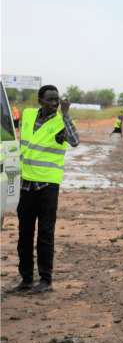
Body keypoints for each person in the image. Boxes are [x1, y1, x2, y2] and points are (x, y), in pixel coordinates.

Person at [9, 85, 79, 294]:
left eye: (57, 100)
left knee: (45, 234)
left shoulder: (60, 122)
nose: (55, 103)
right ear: (40, 100)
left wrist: (66, 115)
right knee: (24, 234)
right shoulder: (29, 115)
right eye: (50, 100)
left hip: (48, 186)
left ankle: (46, 281)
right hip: (26, 185)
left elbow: (75, 141)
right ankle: (27, 279)